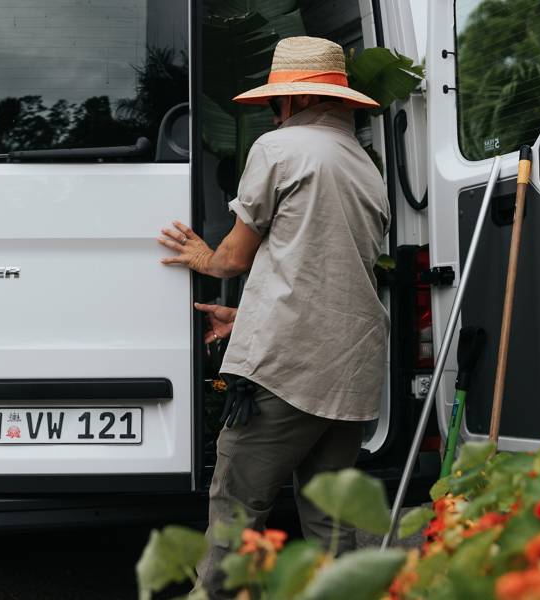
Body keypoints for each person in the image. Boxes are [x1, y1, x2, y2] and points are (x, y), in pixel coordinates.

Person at [157, 36, 391, 599]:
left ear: (287, 101)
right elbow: (321, 266)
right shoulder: (364, 165)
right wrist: (247, 315)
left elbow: (235, 257)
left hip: (286, 370)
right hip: (350, 370)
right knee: (330, 524)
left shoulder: (279, 149)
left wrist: (201, 258)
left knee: (236, 512)